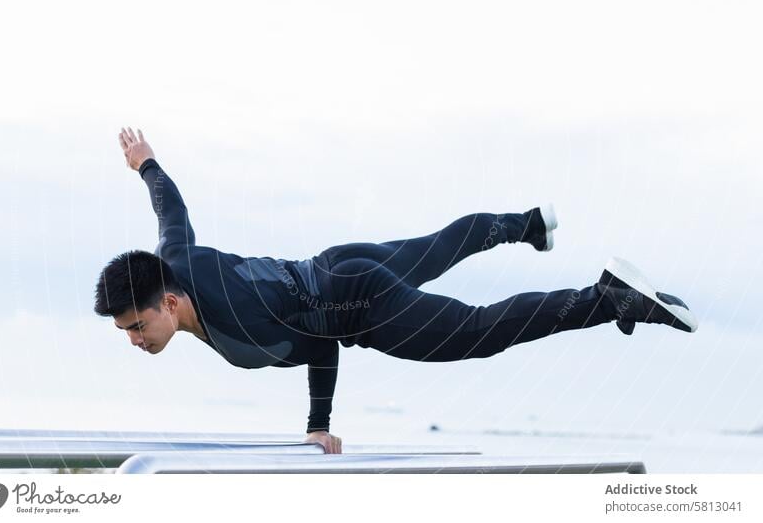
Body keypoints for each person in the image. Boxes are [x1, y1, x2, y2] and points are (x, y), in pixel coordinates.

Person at [94, 127, 698, 454]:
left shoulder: (241, 322)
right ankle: (530, 225)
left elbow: (321, 344)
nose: (134, 339)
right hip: (337, 262)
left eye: (136, 327)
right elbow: (171, 208)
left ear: (167, 304)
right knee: (438, 246)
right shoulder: (170, 261)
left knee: (478, 332)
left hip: (360, 304)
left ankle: (609, 296)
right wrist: (147, 163)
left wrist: (317, 423)